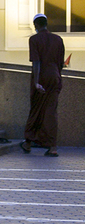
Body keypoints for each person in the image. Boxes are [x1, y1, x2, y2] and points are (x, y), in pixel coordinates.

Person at [21, 13, 65, 157]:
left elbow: (36, 62)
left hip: (42, 77)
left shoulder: (34, 39)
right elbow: (61, 63)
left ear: (36, 25)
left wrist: (36, 82)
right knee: (51, 113)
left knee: (36, 111)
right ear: (46, 23)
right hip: (55, 77)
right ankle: (52, 147)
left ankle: (28, 142)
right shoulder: (58, 39)